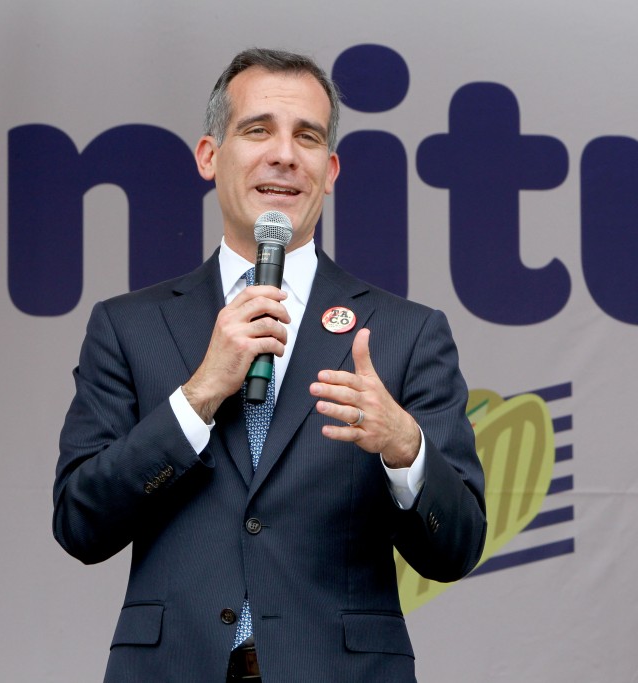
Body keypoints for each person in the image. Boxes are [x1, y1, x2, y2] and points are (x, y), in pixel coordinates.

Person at [53, 48, 486, 683]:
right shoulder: (128, 327)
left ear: (330, 170)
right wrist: (197, 396)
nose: (284, 154)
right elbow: (79, 523)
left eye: (307, 137)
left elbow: (457, 548)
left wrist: (405, 448)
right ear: (209, 156)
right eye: (258, 130)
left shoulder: (407, 332)